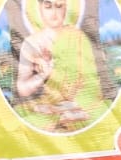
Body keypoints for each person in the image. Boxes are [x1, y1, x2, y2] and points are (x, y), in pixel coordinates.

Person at [12, 0, 107, 133]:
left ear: (66, 8)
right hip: (49, 101)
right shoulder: (31, 43)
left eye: (59, 6)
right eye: (48, 6)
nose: (54, 13)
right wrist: (43, 75)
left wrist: (74, 103)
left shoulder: (78, 37)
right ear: (39, 8)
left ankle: (66, 111)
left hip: (80, 101)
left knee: (101, 112)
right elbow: (22, 88)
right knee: (21, 116)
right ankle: (62, 112)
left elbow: (91, 83)